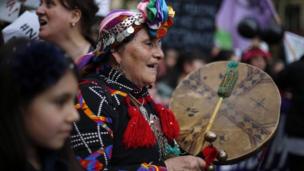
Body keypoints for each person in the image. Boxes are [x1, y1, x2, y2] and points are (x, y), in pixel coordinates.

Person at [70, 0, 206, 170]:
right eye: (149, 44)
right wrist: (164, 169)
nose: (160, 54)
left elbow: (167, 157)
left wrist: (200, 156)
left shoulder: (141, 98)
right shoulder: (92, 96)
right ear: (116, 52)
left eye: (159, 45)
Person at [0, 38, 82, 171]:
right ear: (19, 102)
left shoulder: (62, 162)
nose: (74, 116)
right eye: (60, 102)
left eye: (73, 102)